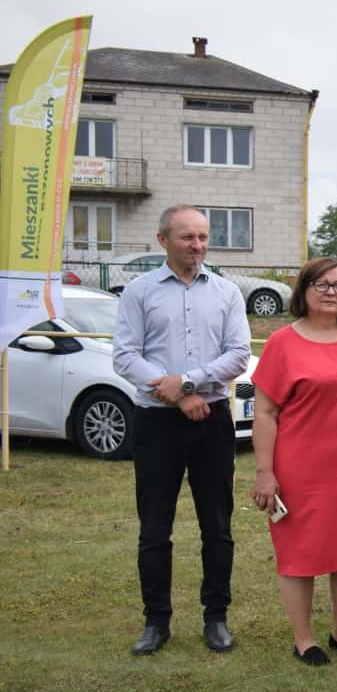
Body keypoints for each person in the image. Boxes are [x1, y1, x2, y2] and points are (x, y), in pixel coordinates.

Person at [113, 205, 252, 656]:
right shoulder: (139, 292)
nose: (197, 245)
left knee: (217, 524)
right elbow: (126, 356)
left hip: (211, 422)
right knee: (155, 527)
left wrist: (188, 382)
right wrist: (176, 394)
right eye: (187, 237)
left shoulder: (227, 293)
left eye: (203, 237)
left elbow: (238, 355)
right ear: (163, 241)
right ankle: (156, 622)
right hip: (156, 422)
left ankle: (216, 618)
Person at [251, 256, 337, 666]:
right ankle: (304, 640)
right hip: (301, 468)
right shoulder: (282, 343)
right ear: (304, 291)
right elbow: (265, 413)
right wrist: (265, 472)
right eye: (322, 285)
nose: (331, 292)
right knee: (301, 551)